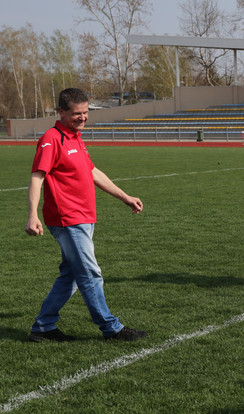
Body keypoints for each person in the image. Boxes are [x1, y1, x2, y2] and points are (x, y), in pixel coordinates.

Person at [25, 88, 148, 342]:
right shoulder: (52, 138)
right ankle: (111, 328)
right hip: (67, 219)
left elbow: (92, 172)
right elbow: (37, 177)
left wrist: (125, 197)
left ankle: (44, 326)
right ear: (61, 112)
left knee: (70, 275)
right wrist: (32, 215)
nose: (82, 117)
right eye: (76, 114)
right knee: (90, 273)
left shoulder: (75, 138)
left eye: (85, 112)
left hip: (84, 217)